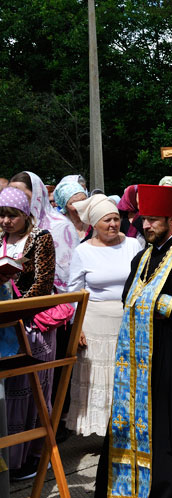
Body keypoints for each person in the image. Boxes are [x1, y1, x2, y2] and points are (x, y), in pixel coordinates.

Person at [94, 184, 172, 497]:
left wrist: (155, 303)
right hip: (137, 357)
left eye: (154, 220)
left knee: (169, 425)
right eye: (144, 219)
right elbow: (128, 296)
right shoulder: (142, 257)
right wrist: (145, 301)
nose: (146, 226)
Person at [66, 195, 142, 437]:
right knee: (100, 379)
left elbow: (143, 280)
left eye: (116, 219)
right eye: (106, 220)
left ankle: (126, 428)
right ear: (95, 225)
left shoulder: (132, 245)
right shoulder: (83, 251)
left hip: (127, 319)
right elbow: (73, 291)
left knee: (126, 375)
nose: (113, 224)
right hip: (95, 323)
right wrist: (77, 327)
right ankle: (103, 431)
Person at [0, 187, 56, 480]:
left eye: (13, 215)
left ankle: (30, 459)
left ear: (26, 215)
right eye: (2, 215)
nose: (6, 221)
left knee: (33, 392)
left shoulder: (40, 239)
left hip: (31, 325)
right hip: (3, 328)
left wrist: (16, 310)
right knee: (6, 397)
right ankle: (6, 459)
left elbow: (44, 282)